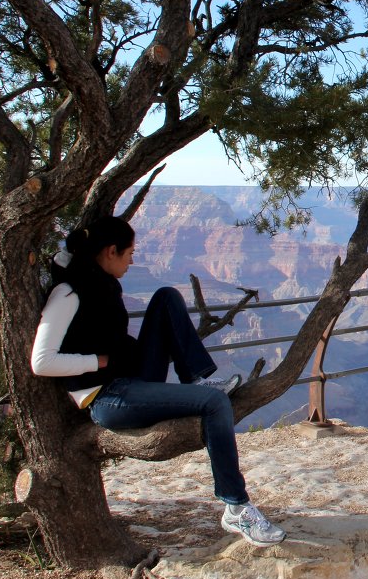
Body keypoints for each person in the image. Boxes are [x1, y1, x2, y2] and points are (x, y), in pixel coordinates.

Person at [30, 215, 286, 546]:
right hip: (108, 397)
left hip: (130, 374)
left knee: (167, 296)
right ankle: (235, 506)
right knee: (215, 403)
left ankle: (195, 377)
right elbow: (41, 362)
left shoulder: (99, 278)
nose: (133, 259)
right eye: (129, 253)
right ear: (110, 251)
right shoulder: (68, 293)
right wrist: (98, 361)